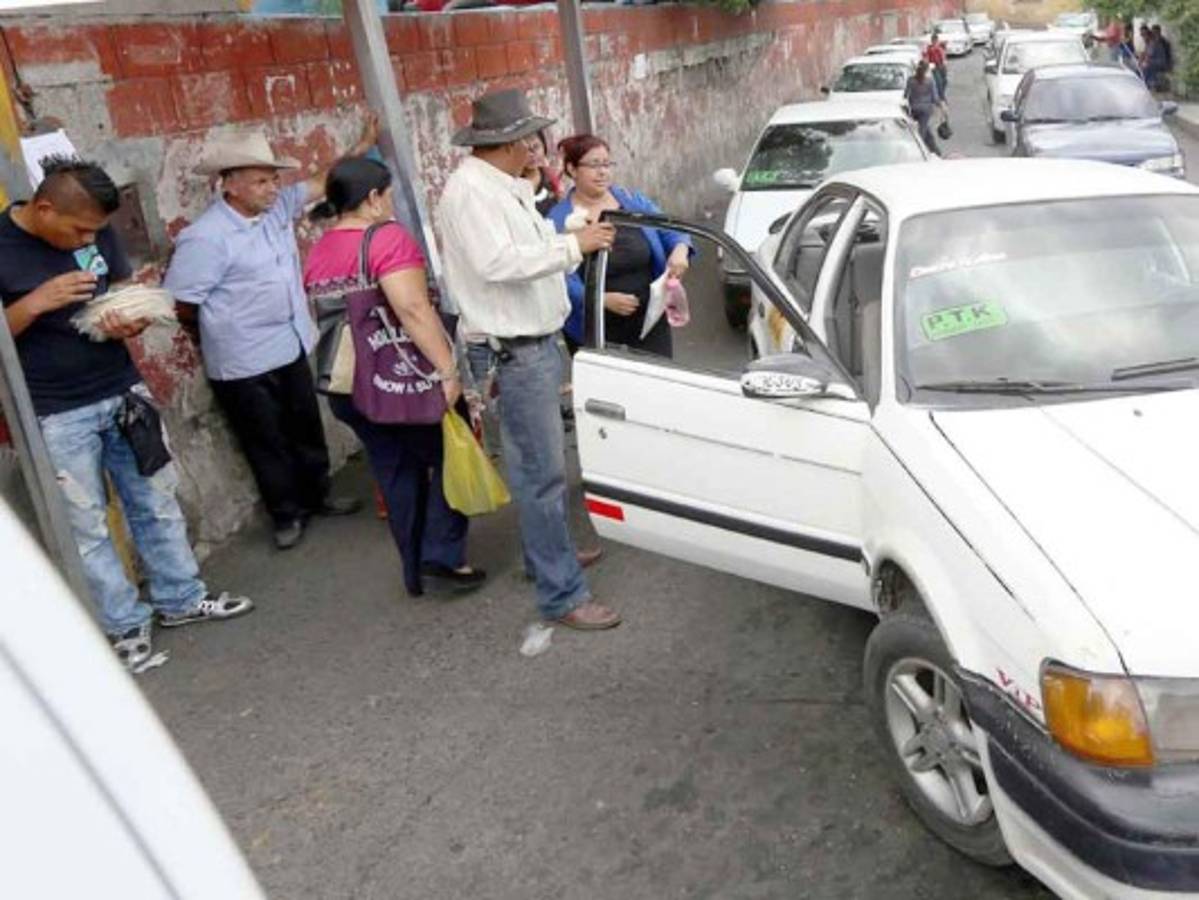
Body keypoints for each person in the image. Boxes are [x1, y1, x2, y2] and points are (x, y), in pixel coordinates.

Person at [0, 157, 253, 669]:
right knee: (86, 526)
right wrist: (34, 303)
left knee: (155, 500)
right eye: (78, 231)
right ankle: (123, 624)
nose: (87, 240)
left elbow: (118, 289)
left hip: (123, 388)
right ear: (44, 209)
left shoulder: (95, 229)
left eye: (95, 232)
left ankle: (181, 598)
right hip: (53, 411)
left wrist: (130, 318)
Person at [435, 88, 621, 631]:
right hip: (514, 350)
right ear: (513, 143)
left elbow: (525, 246)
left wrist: (565, 236)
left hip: (530, 345)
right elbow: (497, 263)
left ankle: (548, 556)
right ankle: (562, 593)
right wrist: (574, 247)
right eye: (531, 139)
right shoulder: (472, 193)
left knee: (540, 468)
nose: (537, 149)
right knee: (541, 474)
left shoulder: (502, 187)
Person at [164, 119, 379, 551]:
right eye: (261, 181)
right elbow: (181, 301)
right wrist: (223, 331)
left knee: (305, 424)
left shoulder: (276, 209)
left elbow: (324, 181)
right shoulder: (206, 238)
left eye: (273, 179)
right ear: (230, 185)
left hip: (289, 340)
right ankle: (286, 514)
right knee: (266, 440)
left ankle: (318, 495)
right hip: (242, 357)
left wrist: (361, 145)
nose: (272, 188)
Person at [303, 156, 484, 597]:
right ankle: (442, 557)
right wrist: (447, 370)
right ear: (372, 198)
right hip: (401, 378)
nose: (389, 203)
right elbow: (412, 309)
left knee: (396, 471)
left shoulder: (321, 247)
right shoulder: (385, 237)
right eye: (386, 194)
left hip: (346, 383)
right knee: (450, 453)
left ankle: (414, 569)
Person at [547, 134, 692, 358]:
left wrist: (680, 250)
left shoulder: (632, 201)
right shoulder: (558, 219)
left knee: (657, 376)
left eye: (607, 164)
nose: (602, 172)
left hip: (649, 319)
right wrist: (600, 299)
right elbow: (557, 276)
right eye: (594, 165)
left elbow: (670, 228)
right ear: (572, 169)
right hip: (595, 326)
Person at [905, 60, 947, 156]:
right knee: (922, 132)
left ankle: (935, 150)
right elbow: (934, 97)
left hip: (913, 108)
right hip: (926, 110)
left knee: (926, 130)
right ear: (927, 70)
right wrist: (941, 105)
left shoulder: (911, 80)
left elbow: (906, 95)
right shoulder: (929, 81)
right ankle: (918, 151)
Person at [522, 130, 564, 217]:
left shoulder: (549, 176)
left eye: (536, 147)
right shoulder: (514, 184)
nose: (532, 154)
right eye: (525, 150)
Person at [923, 31, 948, 98]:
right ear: (932, 41)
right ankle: (941, 96)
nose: (935, 42)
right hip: (934, 66)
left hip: (942, 65)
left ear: (937, 40)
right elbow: (926, 56)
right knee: (938, 81)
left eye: (936, 40)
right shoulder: (929, 48)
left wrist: (944, 63)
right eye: (933, 41)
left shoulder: (941, 47)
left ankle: (941, 92)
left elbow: (944, 54)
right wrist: (929, 65)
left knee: (945, 81)